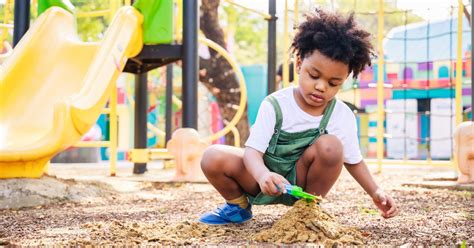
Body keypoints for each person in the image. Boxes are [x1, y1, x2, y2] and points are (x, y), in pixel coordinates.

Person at [198, 9, 398, 225]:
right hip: (262, 179)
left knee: (331, 146)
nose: (321, 87)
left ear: (345, 79)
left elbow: (354, 160)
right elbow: (252, 152)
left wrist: (376, 191)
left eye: (333, 83)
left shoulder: (341, 115)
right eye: (314, 76)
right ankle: (238, 207)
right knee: (212, 156)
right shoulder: (275, 104)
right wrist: (263, 175)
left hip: (302, 186)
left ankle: (308, 212)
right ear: (299, 64)